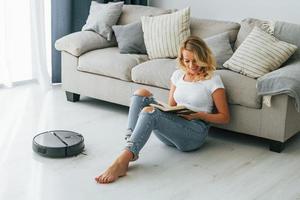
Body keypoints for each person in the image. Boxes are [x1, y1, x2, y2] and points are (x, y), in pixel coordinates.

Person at [95, 36, 230, 184]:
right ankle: (130, 145)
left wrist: (199, 115)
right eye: (187, 60)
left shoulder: (212, 79)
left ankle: (123, 160)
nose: (191, 65)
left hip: (194, 133)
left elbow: (224, 117)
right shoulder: (178, 75)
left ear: (203, 57)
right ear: (182, 59)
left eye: (195, 60)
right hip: (174, 129)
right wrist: (167, 110)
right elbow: (171, 105)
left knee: (149, 112)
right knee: (141, 94)